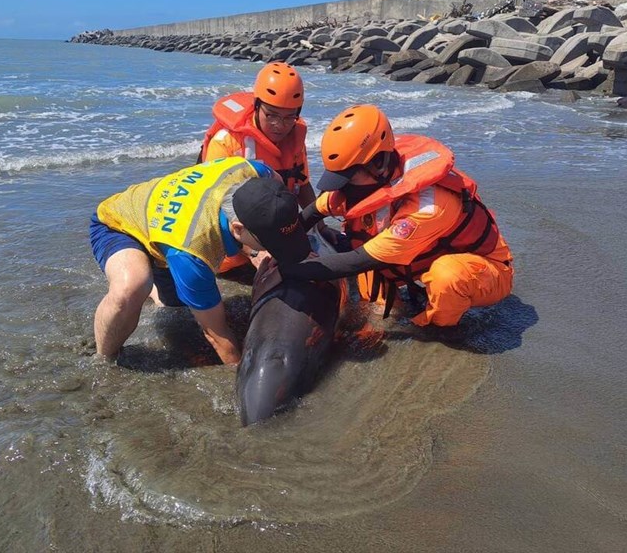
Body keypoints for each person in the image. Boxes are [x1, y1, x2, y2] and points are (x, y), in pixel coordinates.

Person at [278, 104, 514, 328]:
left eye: (348, 177)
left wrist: (291, 270)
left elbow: (357, 260)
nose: (343, 187)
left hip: (483, 270)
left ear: (379, 163)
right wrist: (279, 246)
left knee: (446, 276)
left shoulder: (429, 206)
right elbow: (311, 213)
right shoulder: (360, 181)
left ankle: (440, 330)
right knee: (372, 303)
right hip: (418, 256)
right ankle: (392, 307)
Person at [89, 157, 310, 365]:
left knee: (173, 306)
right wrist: (237, 370)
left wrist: (258, 249)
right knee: (133, 286)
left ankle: (154, 284)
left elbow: (278, 184)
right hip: (119, 223)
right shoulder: (193, 252)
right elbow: (217, 335)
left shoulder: (253, 169)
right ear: (238, 229)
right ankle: (104, 358)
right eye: (272, 242)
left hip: (165, 227)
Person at [198, 62, 316, 272]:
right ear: (257, 105)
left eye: (290, 117)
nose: (280, 125)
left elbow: (302, 185)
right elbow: (213, 210)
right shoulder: (226, 142)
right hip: (236, 245)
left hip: (275, 236)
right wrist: (253, 251)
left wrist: (320, 226)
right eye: (271, 115)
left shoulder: (295, 139)